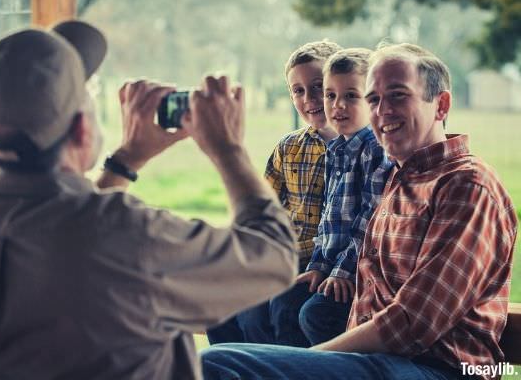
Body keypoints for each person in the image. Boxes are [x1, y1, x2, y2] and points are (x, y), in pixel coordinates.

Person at [0, 21, 299, 380]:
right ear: (82, 128)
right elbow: (275, 256)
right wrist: (227, 148)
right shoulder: (127, 235)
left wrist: (126, 160)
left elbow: (67, 236)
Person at [201, 43, 518, 380]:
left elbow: (411, 325)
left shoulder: (466, 185)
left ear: (441, 105)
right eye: (374, 99)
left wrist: (308, 360)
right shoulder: (401, 177)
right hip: (380, 361)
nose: (383, 111)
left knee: (218, 363)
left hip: (436, 369)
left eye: (397, 96)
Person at [206, 41, 342, 347]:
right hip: (282, 254)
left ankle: (273, 366)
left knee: (280, 307)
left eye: (318, 87)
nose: (309, 99)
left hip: (322, 260)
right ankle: (232, 365)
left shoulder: (359, 148)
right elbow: (264, 209)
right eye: (298, 90)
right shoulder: (289, 147)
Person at [297, 48, 393, 345]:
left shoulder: (377, 149)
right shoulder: (337, 148)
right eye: (330, 96)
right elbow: (328, 219)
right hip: (330, 265)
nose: (337, 105)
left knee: (314, 314)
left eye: (351, 96)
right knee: (275, 301)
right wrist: (317, 265)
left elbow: (369, 220)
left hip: (355, 270)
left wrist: (340, 271)